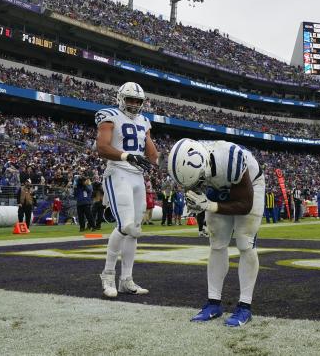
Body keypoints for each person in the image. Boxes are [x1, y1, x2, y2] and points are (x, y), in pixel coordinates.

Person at [168, 138, 265, 327]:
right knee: (217, 244)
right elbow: (194, 186)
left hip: (249, 186)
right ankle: (213, 303)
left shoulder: (230, 159)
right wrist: (196, 204)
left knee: (245, 243)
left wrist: (210, 205)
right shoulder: (190, 161)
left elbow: (245, 205)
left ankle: (245, 305)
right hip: (217, 185)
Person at [95, 82, 158, 298]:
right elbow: (102, 147)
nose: (133, 104)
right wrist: (126, 155)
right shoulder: (109, 114)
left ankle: (126, 280)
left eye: (137, 101)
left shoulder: (144, 120)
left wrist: (155, 158)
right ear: (121, 98)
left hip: (137, 176)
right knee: (125, 225)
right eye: (130, 99)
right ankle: (108, 274)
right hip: (118, 172)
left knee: (135, 230)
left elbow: (151, 152)